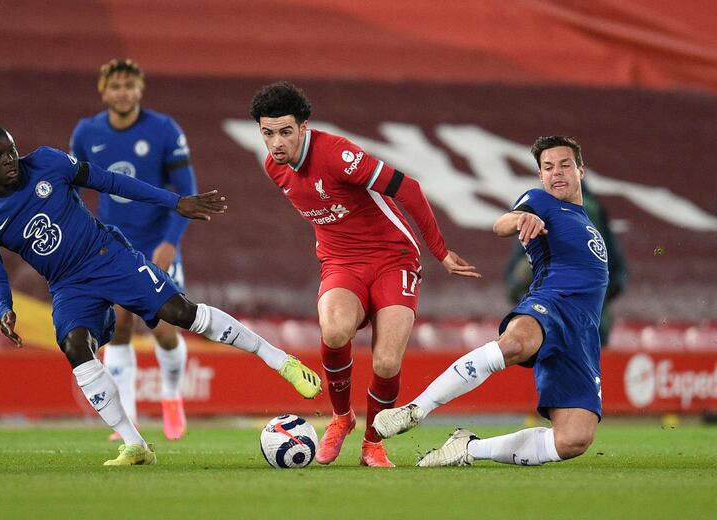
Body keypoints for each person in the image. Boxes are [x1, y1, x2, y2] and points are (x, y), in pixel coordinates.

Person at [0, 123, 322, 466]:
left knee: (180, 313)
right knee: (74, 346)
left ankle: (279, 360)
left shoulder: (47, 161)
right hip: (67, 285)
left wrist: (174, 201)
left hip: (105, 256)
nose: (9, 161)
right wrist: (3, 307)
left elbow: (110, 180)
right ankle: (135, 444)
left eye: (10, 151)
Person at [249, 82, 480, 467]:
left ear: (303, 127)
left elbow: (409, 188)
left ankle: (373, 442)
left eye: (285, 131)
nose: (276, 143)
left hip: (394, 258)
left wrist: (440, 251)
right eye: (268, 133)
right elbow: (328, 211)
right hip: (341, 262)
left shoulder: (338, 154)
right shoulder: (274, 168)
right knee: (335, 330)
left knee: (387, 363)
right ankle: (342, 418)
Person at [373, 135, 608, 467]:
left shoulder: (587, 222)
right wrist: (521, 219)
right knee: (516, 344)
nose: (556, 173)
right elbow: (502, 224)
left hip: (582, 333)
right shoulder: (540, 201)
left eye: (564, 165)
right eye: (548, 167)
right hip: (551, 303)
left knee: (573, 440)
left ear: (580, 171)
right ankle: (415, 409)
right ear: (540, 176)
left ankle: (467, 448)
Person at [70, 58, 196, 441]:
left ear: (140, 89)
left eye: (129, 85)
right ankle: (128, 417)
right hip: (113, 247)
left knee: (164, 330)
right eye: (116, 86)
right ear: (103, 91)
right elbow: (70, 188)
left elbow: (186, 190)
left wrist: (169, 242)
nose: (122, 92)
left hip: (156, 244)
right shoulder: (86, 133)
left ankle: (172, 396)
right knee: (119, 327)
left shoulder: (162, 129)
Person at [505, 182, 627, 345]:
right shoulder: (593, 209)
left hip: (545, 323)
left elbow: (514, 276)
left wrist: (528, 307)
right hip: (591, 325)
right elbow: (617, 272)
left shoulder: (536, 209)